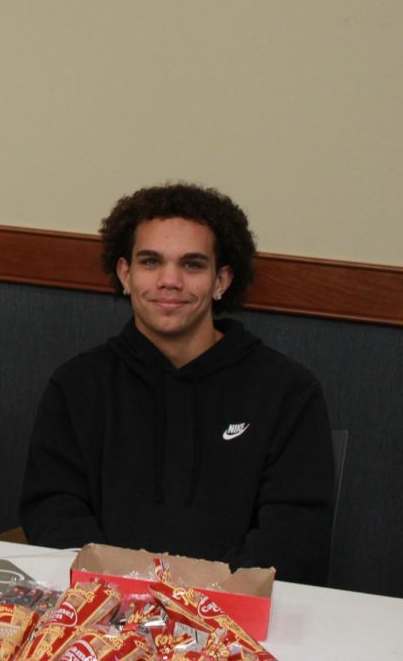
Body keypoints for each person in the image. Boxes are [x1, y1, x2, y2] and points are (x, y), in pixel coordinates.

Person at [19, 182, 334, 585]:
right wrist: (122, 593)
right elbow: (53, 510)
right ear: (125, 274)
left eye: (192, 265)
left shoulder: (288, 391)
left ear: (221, 280)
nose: (170, 280)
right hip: (102, 613)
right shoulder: (78, 385)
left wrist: (205, 601)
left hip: (239, 622)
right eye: (150, 262)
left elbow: (295, 535)